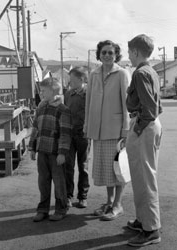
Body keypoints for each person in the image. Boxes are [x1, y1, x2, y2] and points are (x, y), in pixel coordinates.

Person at [84, 40, 130, 221]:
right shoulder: (94, 74)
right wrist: (87, 125)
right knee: (106, 169)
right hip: (98, 130)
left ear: (116, 55)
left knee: (118, 169)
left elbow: (127, 103)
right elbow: (88, 102)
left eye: (111, 53)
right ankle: (109, 202)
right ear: (99, 55)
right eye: (104, 52)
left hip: (116, 129)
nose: (107, 56)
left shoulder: (122, 73)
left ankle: (118, 204)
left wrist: (126, 129)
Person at [125, 34, 163, 247]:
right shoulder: (152, 72)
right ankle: (144, 221)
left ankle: (151, 230)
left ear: (136, 52)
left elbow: (149, 109)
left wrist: (137, 128)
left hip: (144, 126)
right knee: (141, 178)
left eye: (130, 52)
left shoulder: (140, 73)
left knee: (145, 179)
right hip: (149, 125)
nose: (129, 56)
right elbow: (158, 107)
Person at [28, 77, 72, 222]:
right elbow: (35, 128)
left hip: (55, 153)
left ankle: (61, 208)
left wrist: (62, 153)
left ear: (54, 91)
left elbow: (65, 134)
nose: (41, 94)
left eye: (44, 91)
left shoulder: (63, 110)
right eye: (41, 91)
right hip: (42, 151)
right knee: (43, 182)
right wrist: (32, 148)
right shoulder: (41, 107)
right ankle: (43, 209)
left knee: (59, 182)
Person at [64, 66, 90, 209]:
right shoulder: (68, 94)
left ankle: (83, 196)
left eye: (72, 80)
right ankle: (68, 196)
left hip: (84, 135)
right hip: (69, 134)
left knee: (83, 166)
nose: (70, 83)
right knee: (68, 166)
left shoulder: (89, 94)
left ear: (81, 79)